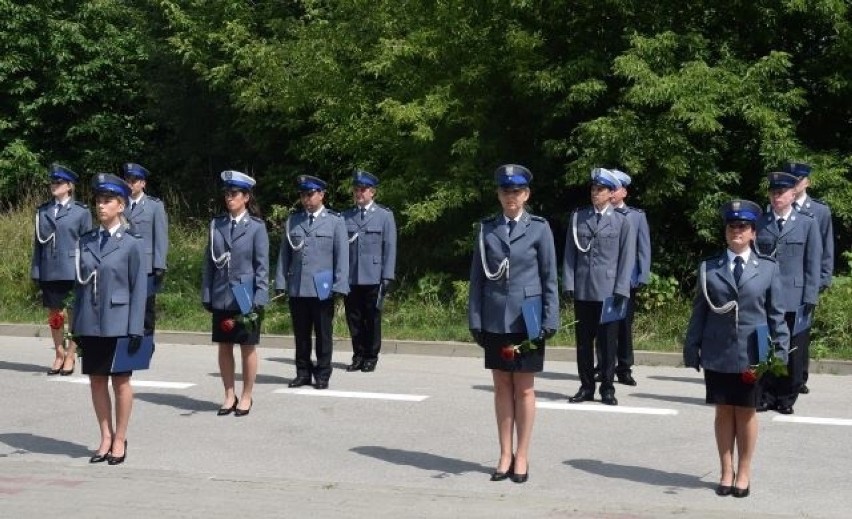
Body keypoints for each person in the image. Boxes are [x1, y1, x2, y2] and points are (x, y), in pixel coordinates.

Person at [684, 199, 790, 498]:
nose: (736, 232)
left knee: (745, 412)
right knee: (722, 411)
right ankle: (725, 470)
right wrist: (692, 347)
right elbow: (699, 312)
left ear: (754, 232)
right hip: (718, 350)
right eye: (732, 226)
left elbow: (776, 314)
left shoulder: (768, 269)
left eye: (743, 227)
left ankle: (744, 471)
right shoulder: (709, 267)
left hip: (752, 353)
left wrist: (780, 351)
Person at [468, 164, 558, 484]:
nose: (511, 197)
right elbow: (477, 279)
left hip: (528, 320)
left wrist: (550, 317)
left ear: (526, 194)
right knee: (501, 387)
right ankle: (504, 453)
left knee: (525, 388)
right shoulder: (486, 229)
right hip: (495, 320)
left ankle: (522, 454)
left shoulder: (539, 228)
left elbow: (549, 277)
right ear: (498, 194)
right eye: (506, 191)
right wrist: (475, 319)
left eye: (517, 192)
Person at [72, 173, 146, 465]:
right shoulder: (86, 240)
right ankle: (104, 435)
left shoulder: (131, 243)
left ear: (121, 206)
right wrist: (76, 324)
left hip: (120, 320)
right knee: (96, 381)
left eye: (107, 201)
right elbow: (80, 287)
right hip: (90, 320)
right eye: (98, 201)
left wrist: (136, 327)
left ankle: (120, 437)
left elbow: (139, 288)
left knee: (121, 383)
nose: (101, 206)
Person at [562, 168, 635, 406]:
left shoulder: (623, 221)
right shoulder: (578, 217)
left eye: (601, 189)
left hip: (609, 292)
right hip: (584, 289)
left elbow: (626, 258)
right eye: (593, 189)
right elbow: (570, 254)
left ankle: (607, 387)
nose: (595, 193)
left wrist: (622, 289)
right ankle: (586, 386)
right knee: (583, 343)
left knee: (607, 343)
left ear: (611, 193)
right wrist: (569, 282)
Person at [201, 171, 269, 417]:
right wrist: (207, 293)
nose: (229, 198)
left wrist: (260, 298)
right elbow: (208, 262)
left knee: (247, 346)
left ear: (246, 197)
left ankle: (247, 395)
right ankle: (229, 394)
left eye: (234, 194)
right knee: (224, 345)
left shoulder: (256, 228)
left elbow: (262, 267)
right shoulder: (216, 224)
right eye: (227, 194)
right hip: (221, 293)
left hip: (245, 295)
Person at [754, 171, 821, 414]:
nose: (776, 197)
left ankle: (785, 397)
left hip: (794, 297)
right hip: (764, 296)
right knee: (763, 346)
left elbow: (813, 264)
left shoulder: (807, 223)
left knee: (791, 350)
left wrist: (810, 297)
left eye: (781, 192)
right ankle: (764, 395)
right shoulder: (759, 222)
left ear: (793, 194)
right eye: (773, 193)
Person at [275, 175, 349, 390]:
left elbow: (341, 256)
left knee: (323, 334)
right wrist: (281, 282)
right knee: (301, 334)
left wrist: (340, 284)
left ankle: (323, 373)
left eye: (310, 194)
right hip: (298, 287)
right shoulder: (293, 221)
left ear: (321, 195)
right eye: (302, 195)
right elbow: (284, 255)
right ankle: (303, 372)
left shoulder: (335, 221)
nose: (306, 199)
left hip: (322, 287)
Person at [31, 164, 92, 375]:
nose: (53, 186)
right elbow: (38, 244)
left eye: (58, 183)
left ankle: (71, 354)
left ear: (69, 187)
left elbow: (87, 244)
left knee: (74, 313)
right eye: (52, 183)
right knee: (54, 314)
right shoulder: (43, 210)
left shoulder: (81, 212)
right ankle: (59, 353)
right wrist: (36, 270)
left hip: (72, 269)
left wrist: (87, 270)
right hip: (49, 268)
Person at [784, 161, 834, 394]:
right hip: (783, 283)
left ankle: (800, 376)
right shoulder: (779, 207)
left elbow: (825, 247)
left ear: (807, 182)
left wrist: (823, 277)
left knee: (801, 332)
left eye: (799, 180)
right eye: (791, 180)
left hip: (807, 280)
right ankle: (780, 374)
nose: (795, 184)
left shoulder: (819, 211)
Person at [342, 169, 397, 373]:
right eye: (356, 190)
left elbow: (390, 247)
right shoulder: (345, 216)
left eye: (363, 190)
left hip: (374, 276)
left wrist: (387, 275)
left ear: (372, 192)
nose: (359, 193)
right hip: (351, 276)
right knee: (354, 319)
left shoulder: (384, 216)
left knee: (372, 318)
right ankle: (358, 355)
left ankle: (371, 356)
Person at [602, 168, 651, 386]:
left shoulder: (636, 216)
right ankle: (603, 367)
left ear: (624, 192)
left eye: (615, 189)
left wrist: (643, 274)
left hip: (627, 279)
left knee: (624, 325)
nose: (611, 193)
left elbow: (644, 248)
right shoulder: (601, 214)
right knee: (603, 325)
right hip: (603, 280)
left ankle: (624, 368)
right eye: (609, 189)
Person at [122, 163, 169, 340]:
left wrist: (159, 264)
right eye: (127, 180)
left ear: (143, 184)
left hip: (146, 265)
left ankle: (147, 340)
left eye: (134, 181)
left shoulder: (154, 206)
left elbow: (160, 236)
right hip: (124, 263)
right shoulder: (120, 204)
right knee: (126, 304)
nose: (130, 184)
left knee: (146, 308)